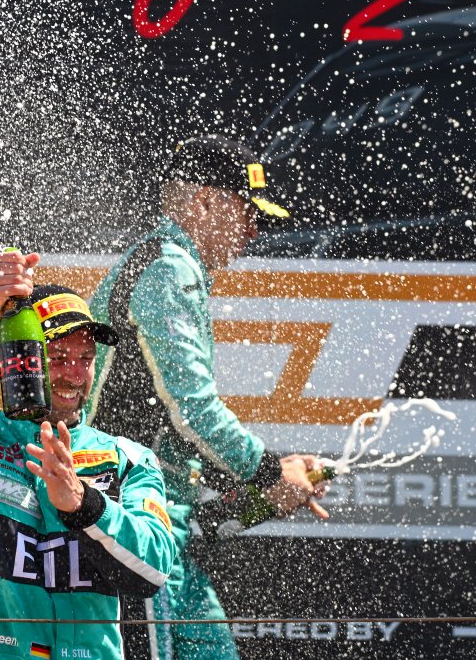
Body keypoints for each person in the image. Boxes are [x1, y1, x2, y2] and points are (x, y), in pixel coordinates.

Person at [86, 135, 328, 660]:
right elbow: (191, 411)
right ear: (203, 203)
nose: (254, 231)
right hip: (131, 524)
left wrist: (254, 487)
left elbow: (166, 425)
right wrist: (268, 470)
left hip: (163, 520)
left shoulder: (169, 264)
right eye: (248, 213)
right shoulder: (167, 268)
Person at [0, 250, 176, 660]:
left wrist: (85, 506)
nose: (75, 374)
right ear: (20, 359)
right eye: (59, 358)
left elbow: (153, 570)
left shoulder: (128, 458)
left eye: (85, 359)